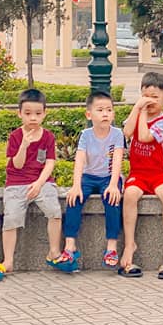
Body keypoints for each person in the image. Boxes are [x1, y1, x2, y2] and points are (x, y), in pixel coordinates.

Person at [56, 91, 125, 271]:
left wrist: (113, 184)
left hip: (109, 177)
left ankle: (111, 247)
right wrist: (76, 185)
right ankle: (70, 245)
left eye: (109, 110)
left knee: (112, 200)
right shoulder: (86, 135)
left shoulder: (117, 134)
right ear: (89, 114)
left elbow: (117, 159)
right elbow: (79, 160)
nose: (105, 114)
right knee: (74, 199)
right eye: (100, 110)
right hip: (88, 176)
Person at [120, 72, 163, 279]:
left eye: (155, 97)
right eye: (146, 96)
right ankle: (129, 245)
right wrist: (137, 109)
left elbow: (144, 137)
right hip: (138, 173)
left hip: (160, 173)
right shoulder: (137, 114)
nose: (150, 101)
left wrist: (142, 113)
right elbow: (126, 132)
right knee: (129, 195)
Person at [1, 88, 63, 275]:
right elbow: (17, 165)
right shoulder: (15, 136)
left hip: (42, 181)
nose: (33, 118)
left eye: (37, 113)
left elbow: (50, 163)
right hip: (16, 182)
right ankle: (8, 260)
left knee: (54, 211)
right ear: (19, 113)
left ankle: (54, 251)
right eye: (28, 113)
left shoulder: (48, 136)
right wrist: (24, 146)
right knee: (11, 218)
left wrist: (39, 184)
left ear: (44, 113)